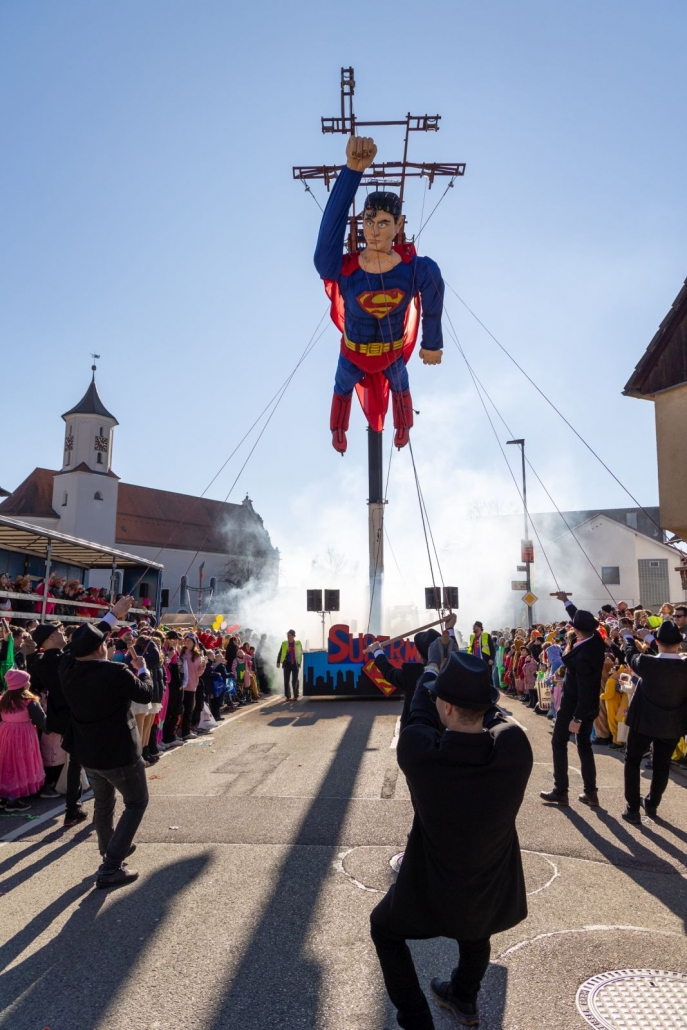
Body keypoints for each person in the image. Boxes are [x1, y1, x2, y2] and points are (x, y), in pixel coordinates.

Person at [369, 648, 533, 1029]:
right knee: (477, 930)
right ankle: (463, 996)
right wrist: (469, 693)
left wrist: (429, 675)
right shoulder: (515, 751)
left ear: (445, 707)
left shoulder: (421, 755)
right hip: (489, 882)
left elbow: (418, 718)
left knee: (383, 928)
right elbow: (497, 719)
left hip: (431, 886)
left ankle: (416, 1020)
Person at [314, 135, 444, 453]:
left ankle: (404, 425)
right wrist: (351, 172)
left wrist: (432, 343)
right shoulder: (346, 268)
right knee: (341, 387)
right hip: (353, 353)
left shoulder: (414, 269)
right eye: (369, 221)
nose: (374, 230)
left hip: (391, 354)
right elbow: (325, 247)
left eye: (384, 223)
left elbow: (433, 292)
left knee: (400, 387)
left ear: (398, 225)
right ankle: (338, 429)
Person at [60, 596, 152, 889]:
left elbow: (78, 646)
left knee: (103, 803)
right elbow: (146, 693)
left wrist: (113, 615)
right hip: (119, 754)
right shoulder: (115, 671)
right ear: (101, 648)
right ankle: (111, 865)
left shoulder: (67, 666)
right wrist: (143, 669)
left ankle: (109, 849)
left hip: (88, 752)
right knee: (136, 802)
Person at [540, 594, 606, 808]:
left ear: (576, 630)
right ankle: (590, 793)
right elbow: (580, 619)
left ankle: (561, 791)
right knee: (584, 745)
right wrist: (566, 602)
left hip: (575, 706)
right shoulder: (595, 641)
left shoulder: (584, 655)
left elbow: (585, 690)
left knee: (559, 742)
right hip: (587, 705)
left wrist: (577, 718)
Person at [620, 620, 687, 823]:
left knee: (632, 761)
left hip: (644, 722)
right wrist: (648, 637)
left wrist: (628, 636)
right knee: (662, 764)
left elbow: (630, 654)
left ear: (657, 642)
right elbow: (667, 654)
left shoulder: (647, 663)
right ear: (679, 644)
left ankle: (632, 809)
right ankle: (652, 804)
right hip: (672, 723)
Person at [29, 621, 87, 824]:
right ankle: (76, 809)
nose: (63, 633)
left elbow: (35, 688)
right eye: (59, 631)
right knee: (86, 761)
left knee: (75, 762)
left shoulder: (39, 661)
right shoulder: (65, 658)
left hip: (58, 717)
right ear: (51, 637)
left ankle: (74, 808)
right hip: (78, 714)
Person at [0, 668, 46, 811]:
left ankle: (4, 796)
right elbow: (41, 720)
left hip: (5, 733)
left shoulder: (3, 700)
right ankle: (13, 800)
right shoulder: (29, 701)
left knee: (7, 763)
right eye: (27, 681)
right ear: (21, 684)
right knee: (20, 763)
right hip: (24, 735)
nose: (29, 683)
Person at [277, 630, 302, 701]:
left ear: (293, 636)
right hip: (287, 664)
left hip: (295, 664)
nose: (288, 637)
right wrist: (278, 662)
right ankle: (288, 696)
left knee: (295, 680)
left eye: (290, 635)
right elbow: (280, 653)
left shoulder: (298, 643)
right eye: (287, 635)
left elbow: (300, 653)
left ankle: (295, 695)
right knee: (286, 680)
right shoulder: (284, 643)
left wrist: (299, 663)